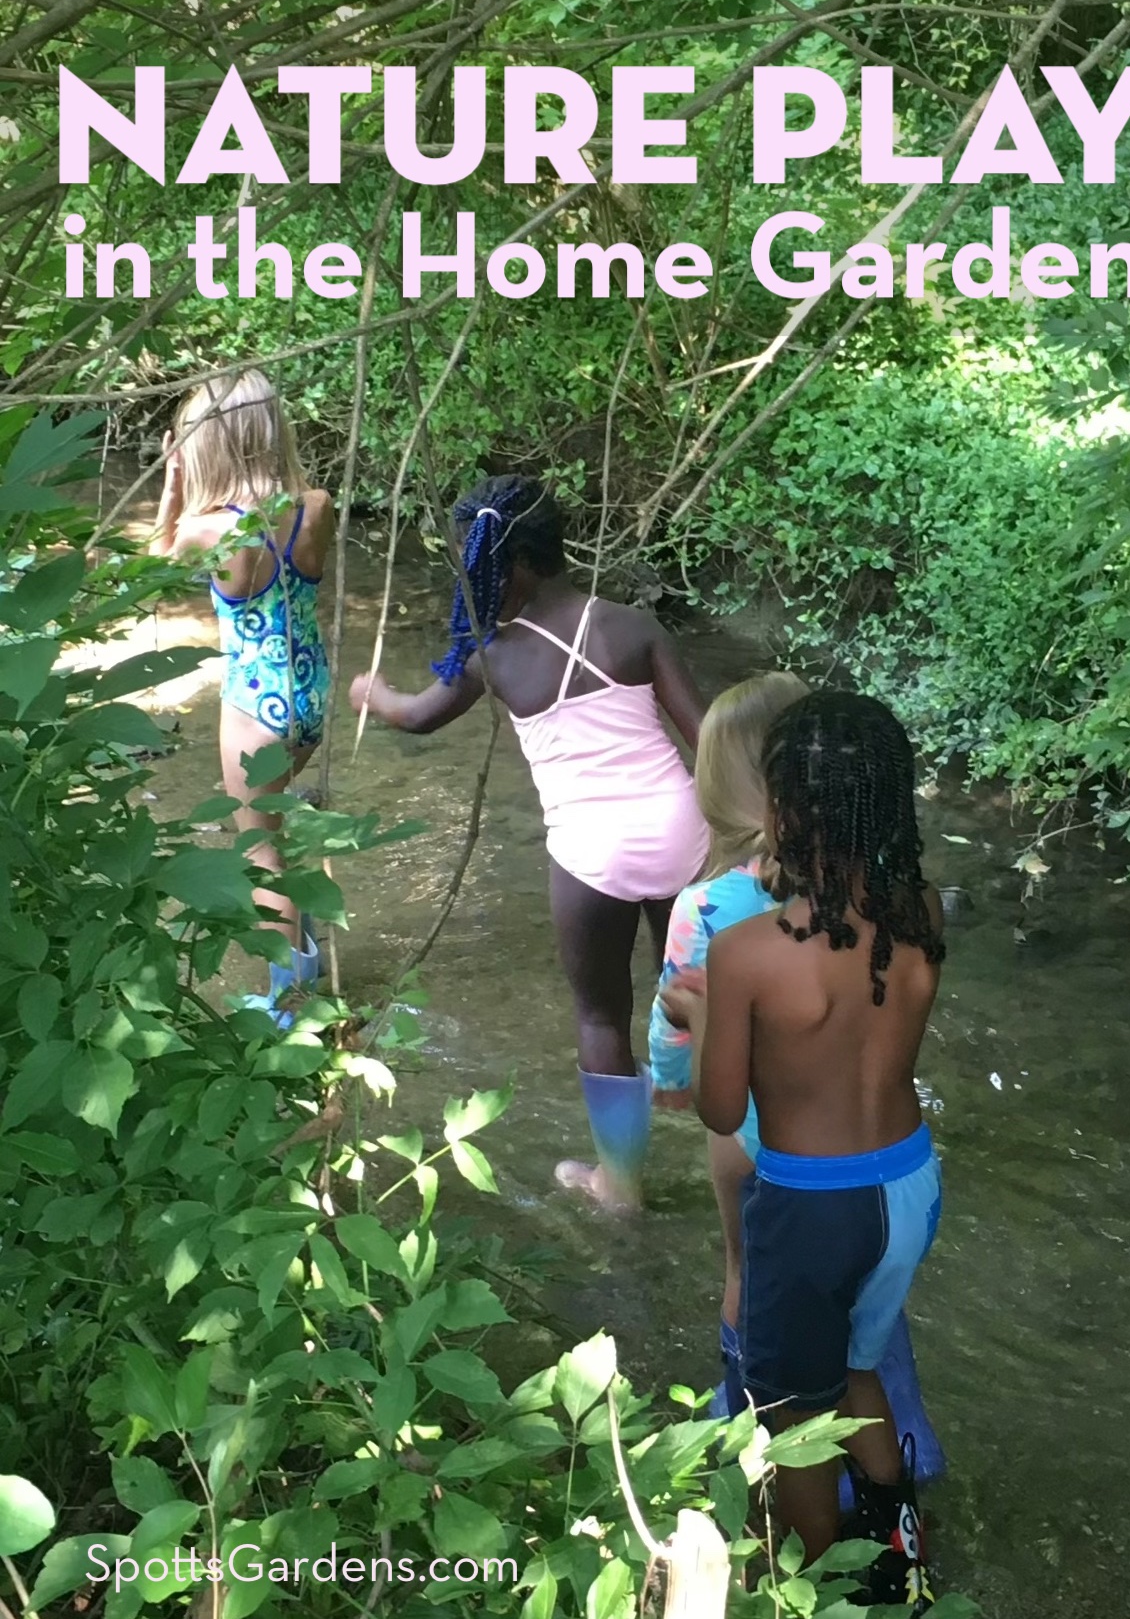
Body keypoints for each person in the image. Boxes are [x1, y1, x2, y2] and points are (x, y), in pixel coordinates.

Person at [350, 474, 709, 1212]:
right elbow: (709, 740)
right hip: (682, 830)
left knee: (602, 1017)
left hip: (592, 853)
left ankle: (618, 1186)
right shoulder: (633, 626)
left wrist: (372, 695)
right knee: (700, 990)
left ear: (502, 566)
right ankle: (738, 1133)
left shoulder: (493, 655)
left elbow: (418, 718)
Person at [662, 691, 945, 1612]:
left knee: (788, 1408)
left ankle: (815, 1583)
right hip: (906, 1182)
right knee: (859, 1365)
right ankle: (900, 1543)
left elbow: (716, 1107)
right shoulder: (919, 910)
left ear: (776, 808)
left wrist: (702, 1017)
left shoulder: (744, 947)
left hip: (810, 1202)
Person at [150, 368, 335, 1025]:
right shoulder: (316, 504)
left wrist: (172, 487)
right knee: (276, 830)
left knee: (260, 855)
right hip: (310, 693)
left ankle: (288, 1009)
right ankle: (306, 966)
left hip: (253, 704)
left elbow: (152, 562)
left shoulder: (207, 528)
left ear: (209, 446)